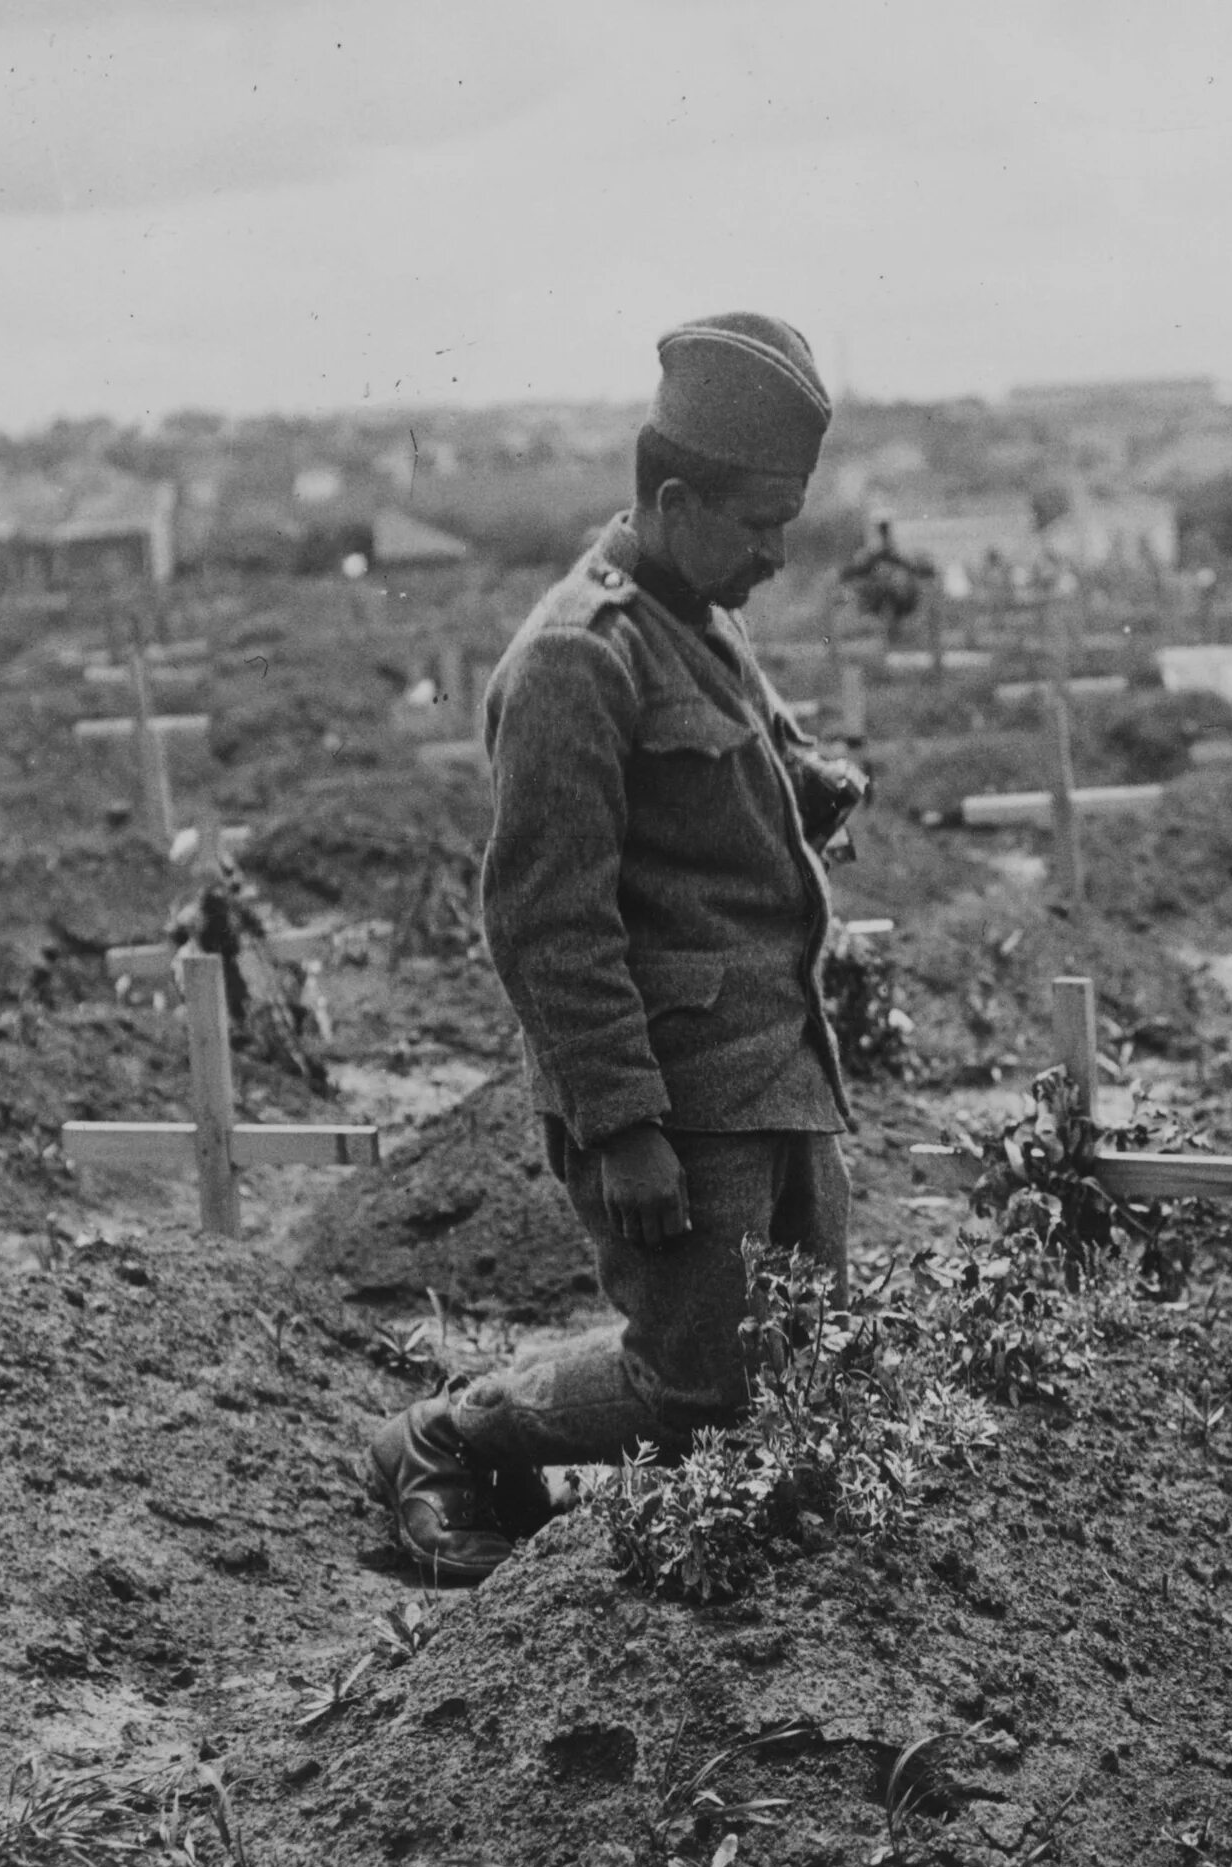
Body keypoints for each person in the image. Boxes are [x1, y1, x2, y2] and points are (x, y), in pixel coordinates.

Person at [364, 311, 870, 1584]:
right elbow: (547, 920)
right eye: (757, 525)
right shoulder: (574, 663)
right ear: (678, 495)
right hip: (680, 1090)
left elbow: (716, 778)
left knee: (803, 1354)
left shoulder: (693, 608)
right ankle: (441, 1439)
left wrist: (804, 780)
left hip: (777, 1062)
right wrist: (622, 1124)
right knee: (697, 1388)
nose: (772, 557)